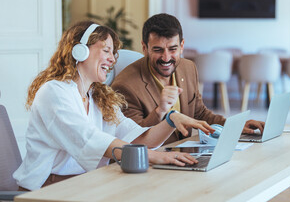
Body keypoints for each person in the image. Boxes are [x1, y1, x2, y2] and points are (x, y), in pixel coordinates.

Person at [13, 21, 215, 191]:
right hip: (47, 189)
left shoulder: (97, 97)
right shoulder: (54, 92)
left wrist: (171, 119)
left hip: (85, 183)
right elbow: (91, 140)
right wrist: (156, 158)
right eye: (106, 50)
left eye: (113, 52)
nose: (112, 59)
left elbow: (140, 138)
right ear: (80, 51)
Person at [111, 13, 265, 144]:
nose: (166, 58)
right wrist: (160, 111)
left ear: (182, 45)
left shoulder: (188, 67)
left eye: (173, 49)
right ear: (144, 48)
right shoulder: (125, 85)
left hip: (184, 153)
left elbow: (200, 113)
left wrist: (235, 126)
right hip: (153, 161)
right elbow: (134, 139)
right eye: (158, 50)